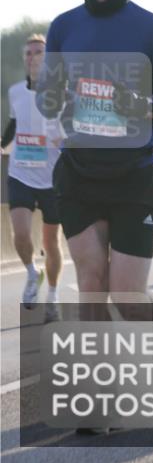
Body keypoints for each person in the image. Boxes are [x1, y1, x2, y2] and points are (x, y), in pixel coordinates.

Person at [35, 0, 153, 400]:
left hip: (133, 176)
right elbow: (47, 99)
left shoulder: (150, 26)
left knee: (126, 297)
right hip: (79, 170)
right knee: (90, 280)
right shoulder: (64, 26)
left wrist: (146, 107)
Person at [2, 34, 65, 322]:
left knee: (52, 243)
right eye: (28, 53)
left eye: (39, 52)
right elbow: (14, 124)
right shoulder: (15, 92)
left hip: (53, 178)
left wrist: (62, 141)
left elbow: (72, 130)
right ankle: (31, 273)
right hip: (21, 173)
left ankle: (52, 297)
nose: (33, 57)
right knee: (22, 233)